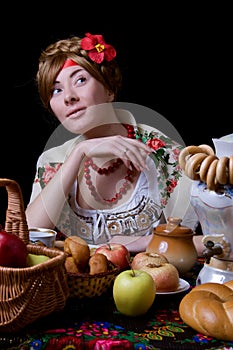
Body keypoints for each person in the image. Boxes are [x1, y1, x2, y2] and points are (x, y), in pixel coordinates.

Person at [26, 32, 204, 254]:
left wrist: (141, 243)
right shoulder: (53, 160)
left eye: (80, 80)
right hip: (72, 287)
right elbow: (29, 237)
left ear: (109, 89)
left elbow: (217, 242)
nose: (68, 97)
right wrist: (80, 152)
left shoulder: (165, 153)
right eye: (56, 90)